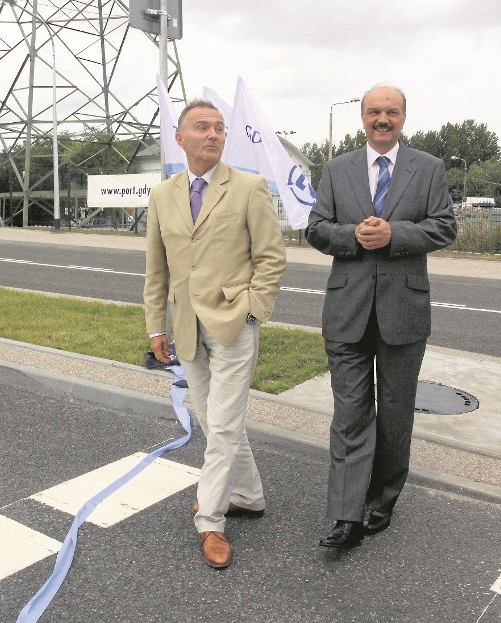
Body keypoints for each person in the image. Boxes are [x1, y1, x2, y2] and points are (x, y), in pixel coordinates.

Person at [306, 85, 457, 548]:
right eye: (375, 111)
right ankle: (346, 515)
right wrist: (354, 235)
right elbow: (315, 228)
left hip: (403, 312)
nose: (383, 119)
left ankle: (383, 498)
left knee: (394, 414)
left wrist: (395, 233)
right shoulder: (336, 169)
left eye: (391, 112)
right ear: (363, 117)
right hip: (347, 310)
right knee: (350, 413)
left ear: (404, 117)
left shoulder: (428, 168)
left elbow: (445, 226)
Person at [144, 99, 287, 568]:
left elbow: (271, 258)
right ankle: (247, 494)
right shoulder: (163, 195)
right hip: (185, 326)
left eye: (219, 128)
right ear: (180, 138)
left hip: (232, 325)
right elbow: (156, 268)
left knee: (223, 424)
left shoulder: (249, 187)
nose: (213, 134)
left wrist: (253, 312)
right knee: (209, 418)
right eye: (201, 127)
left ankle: (211, 521)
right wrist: (154, 326)